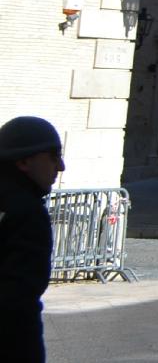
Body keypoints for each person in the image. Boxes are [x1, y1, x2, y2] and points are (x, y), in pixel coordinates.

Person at [0, 116, 62, 363]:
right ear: (25, 161)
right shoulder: (27, 211)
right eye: (53, 156)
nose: (61, 166)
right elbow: (19, 295)